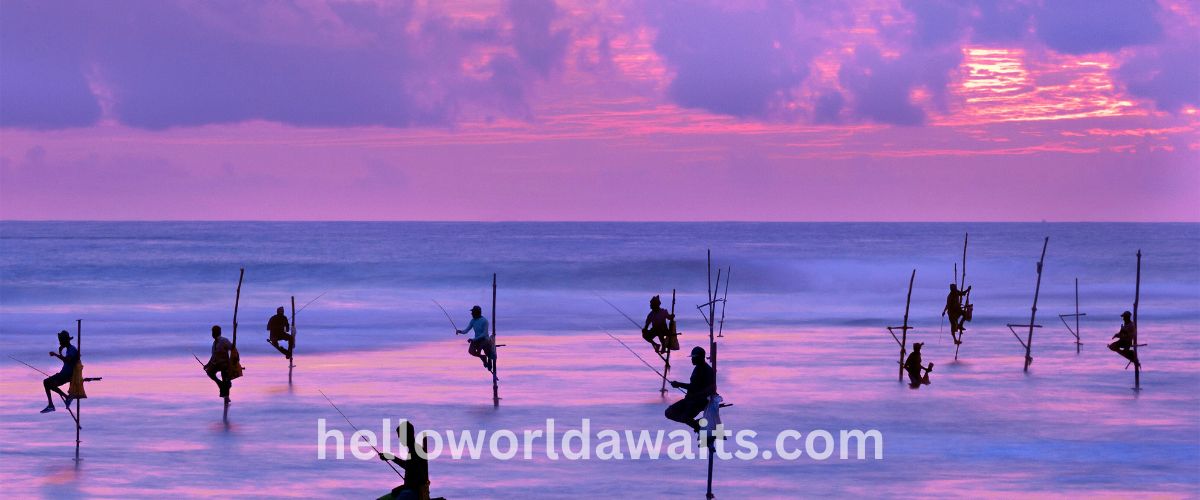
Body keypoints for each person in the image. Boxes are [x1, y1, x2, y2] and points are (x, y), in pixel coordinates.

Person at [665, 346, 716, 432]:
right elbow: (694, 386)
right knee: (669, 412)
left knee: (685, 417)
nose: (691, 360)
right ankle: (698, 425)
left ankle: (700, 427)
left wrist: (679, 384)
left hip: (698, 402)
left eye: (693, 357)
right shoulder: (698, 368)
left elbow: (696, 387)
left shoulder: (705, 370)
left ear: (700, 358)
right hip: (690, 399)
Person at [378, 421, 431, 500]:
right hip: (408, 490)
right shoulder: (413, 449)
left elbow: (417, 476)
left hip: (414, 493)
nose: (400, 439)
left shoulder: (416, 451)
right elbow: (409, 466)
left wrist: (402, 488)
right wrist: (391, 457)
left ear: (407, 435)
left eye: (400, 436)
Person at [40, 330, 79, 414]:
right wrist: (60, 353)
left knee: (46, 382)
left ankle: (52, 404)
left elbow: (68, 360)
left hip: (66, 375)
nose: (60, 342)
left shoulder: (72, 349)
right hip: (64, 374)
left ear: (65, 340)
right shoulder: (69, 349)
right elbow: (67, 361)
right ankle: (65, 398)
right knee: (50, 384)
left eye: (61, 340)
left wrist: (56, 354)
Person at [456, 305, 493, 372]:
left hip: (484, 339)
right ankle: (483, 357)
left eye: (472, 312)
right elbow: (466, 330)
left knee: (485, 350)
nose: (471, 313)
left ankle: (489, 359)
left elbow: (484, 334)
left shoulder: (484, 321)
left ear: (477, 313)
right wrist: (460, 331)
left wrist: (474, 339)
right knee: (471, 351)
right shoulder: (473, 321)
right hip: (476, 340)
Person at [205, 325, 234, 405]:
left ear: (217, 333)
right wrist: (207, 365)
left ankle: (226, 398)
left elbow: (232, 348)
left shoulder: (224, 341)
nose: (213, 334)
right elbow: (213, 356)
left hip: (224, 364)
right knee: (209, 372)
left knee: (225, 380)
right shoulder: (214, 343)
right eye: (212, 332)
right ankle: (220, 384)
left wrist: (233, 362)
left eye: (214, 332)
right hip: (217, 364)